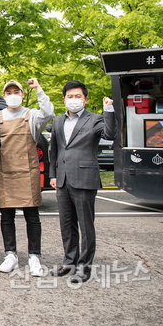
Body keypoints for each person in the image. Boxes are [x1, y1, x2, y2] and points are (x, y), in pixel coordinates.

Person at [49, 80, 115, 283]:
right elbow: (54, 151)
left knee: (86, 225)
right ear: (64, 99)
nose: (74, 99)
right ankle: (69, 262)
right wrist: (53, 175)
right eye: (70, 96)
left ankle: (84, 267)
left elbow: (110, 134)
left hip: (84, 178)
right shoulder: (58, 121)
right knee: (66, 224)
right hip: (62, 179)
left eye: (78, 96)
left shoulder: (94, 119)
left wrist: (108, 110)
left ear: (85, 99)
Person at [0, 78, 54, 277]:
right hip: (5, 172)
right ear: (4, 96)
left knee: (32, 216)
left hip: (27, 172)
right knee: (6, 216)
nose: (12, 95)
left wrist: (38, 89)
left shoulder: (32, 115)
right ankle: (10, 255)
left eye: (16, 92)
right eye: (8, 92)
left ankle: (34, 256)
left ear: (22, 94)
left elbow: (49, 113)